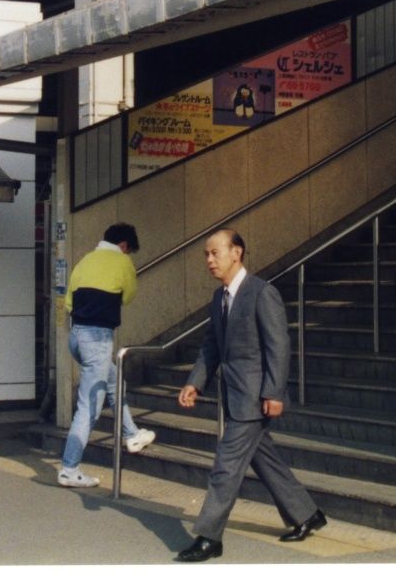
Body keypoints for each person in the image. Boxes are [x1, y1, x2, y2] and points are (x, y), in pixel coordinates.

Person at [173, 228, 325, 562]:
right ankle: (306, 514)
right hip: (236, 395)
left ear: (237, 252)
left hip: (255, 397)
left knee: (225, 467)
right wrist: (195, 383)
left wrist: (274, 392)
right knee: (264, 458)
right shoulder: (219, 298)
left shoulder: (261, 293)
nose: (209, 260)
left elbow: (278, 346)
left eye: (215, 253)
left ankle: (209, 536)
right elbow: (212, 345)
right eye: (206, 255)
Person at [57, 222, 156, 488]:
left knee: (114, 382)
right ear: (124, 246)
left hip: (76, 336)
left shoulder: (85, 260)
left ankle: (132, 434)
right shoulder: (122, 263)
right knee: (88, 407)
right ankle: (69, 468)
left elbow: (68, 302)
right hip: (98, 339)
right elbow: (128, 296)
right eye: (129, 250)